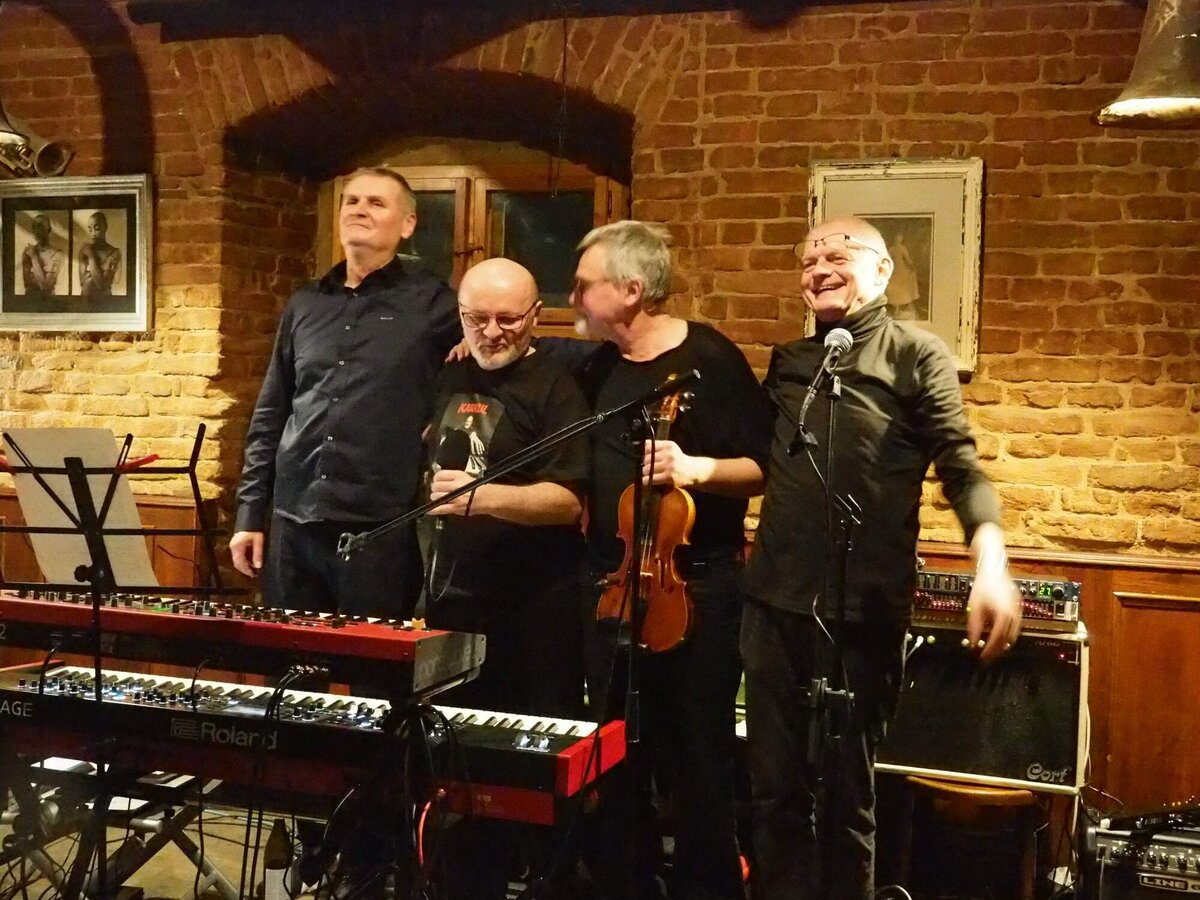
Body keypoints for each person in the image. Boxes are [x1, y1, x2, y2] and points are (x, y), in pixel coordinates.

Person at [740, 216, 1022, 900]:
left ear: (883, 270)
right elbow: (757, 461)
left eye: (837, 255)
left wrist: (991, 563)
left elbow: (960, 466)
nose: (819, 270)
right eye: (809, 261)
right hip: (774, 601)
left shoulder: (916, 353)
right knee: (773, 793)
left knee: (847, 797)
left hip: (863, 610)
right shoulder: (792, 361)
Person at [569, 221, 772, 900]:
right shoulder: (598, 367)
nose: (573, 298)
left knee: (697, 758)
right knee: (616, 756)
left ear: (630, 291)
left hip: (698, 589)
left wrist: (695, 467)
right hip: (613, 586)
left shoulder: (710, 361)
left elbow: (763, 469)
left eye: (584, 285)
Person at [422, 257, 589, 899]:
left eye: (508, 319)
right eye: (477, 318)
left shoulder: (557, 386)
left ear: (536, 316)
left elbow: (568, 501)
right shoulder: (448, 372)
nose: (492, 332)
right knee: (459, 768)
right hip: (451, 602)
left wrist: (481, 498)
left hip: (533, 612)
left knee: (531, 767)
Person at [230, 167, 460, 617]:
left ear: (407, 225)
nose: (359, 210)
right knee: (289, 658)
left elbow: (491, 354)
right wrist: (249, 514)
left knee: (372, 660)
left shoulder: (433, 303)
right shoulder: (305, 303)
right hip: (294, 520)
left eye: (376, 203)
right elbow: (272, 412)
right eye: (351, 201)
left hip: (379, 528)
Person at [78, 211, 122, 301]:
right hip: (85, 300)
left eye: (97, 229)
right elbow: (82, 282)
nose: (93, 233)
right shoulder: (84, 250)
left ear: (105, 227)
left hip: (104, 302)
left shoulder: (114, 252)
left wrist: (91, 256)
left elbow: (101, 285)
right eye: (90, 230)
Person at [21, 213, 64, 300]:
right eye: (34, 227)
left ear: (49, 230)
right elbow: (27, 284)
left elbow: (44, 287)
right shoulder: (27, 253)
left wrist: (34, 257)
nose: (37, 231)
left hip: (48, 303)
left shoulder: (57, 254)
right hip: (29, 302)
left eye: (40, 227)